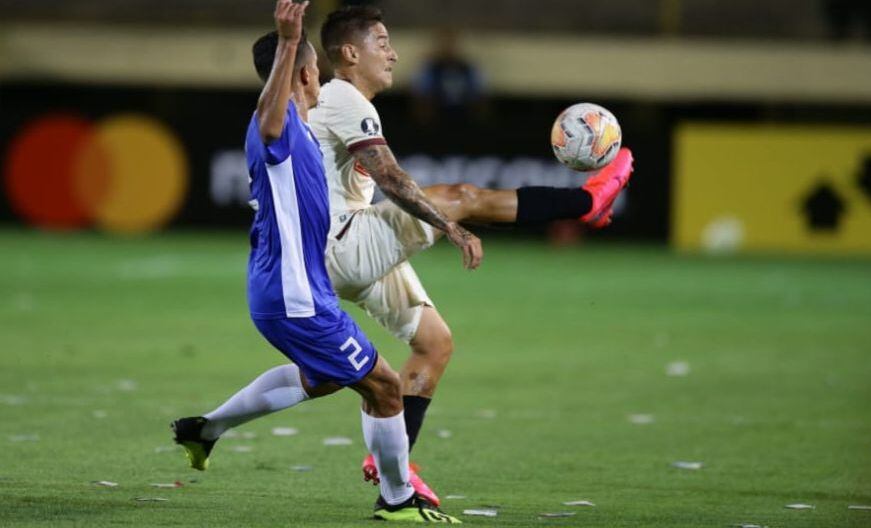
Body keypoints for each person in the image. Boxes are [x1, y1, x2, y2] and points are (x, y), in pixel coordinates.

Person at [312, 6, 634, 505]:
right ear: (350, 54)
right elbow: (393, 180)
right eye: (382, 42)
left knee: (434, 344)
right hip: (341, 245)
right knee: (458, 198)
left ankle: (390, 464)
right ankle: (585, 203)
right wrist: (450, 228)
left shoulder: (339, 100)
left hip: (346, 252)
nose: (393, 52)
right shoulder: (343, 98)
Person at [169, 1, 460, 523]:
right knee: (386, 387)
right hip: (294, 294)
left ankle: (204, 429)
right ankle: (398, 501)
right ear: (308, 72)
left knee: (322, 378)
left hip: (300, 289)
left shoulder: (306, 133)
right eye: (315, 71)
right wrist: (287, 42)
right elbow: (270, 117)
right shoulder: (274, 132)